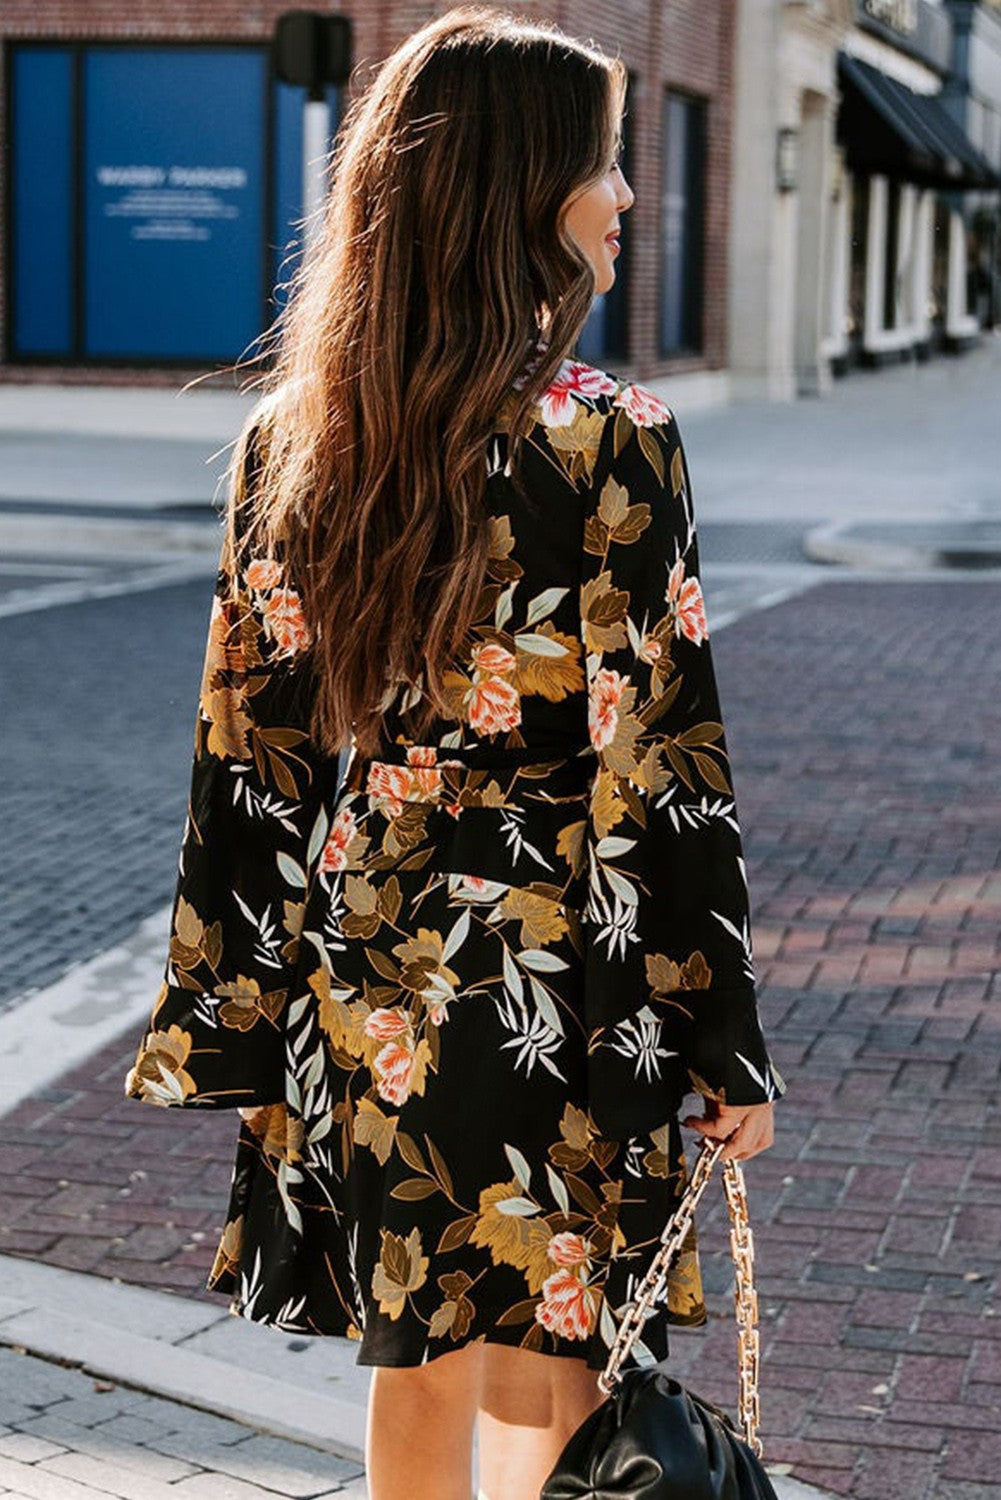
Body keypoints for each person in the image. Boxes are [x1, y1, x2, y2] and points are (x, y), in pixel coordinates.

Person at [124, 8, 785, 1497]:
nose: (623, 200)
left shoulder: (295, 437)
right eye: (602, 166)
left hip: (363, 976)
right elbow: (662, 763)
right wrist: (718, 1030)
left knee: (410, 1359)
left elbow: (248, 759)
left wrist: (235, 1019)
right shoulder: (610, 437)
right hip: (557, 964)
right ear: (515, 188)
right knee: (553, 1372)